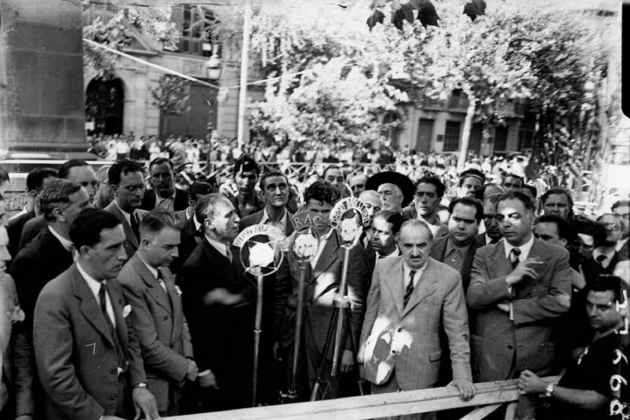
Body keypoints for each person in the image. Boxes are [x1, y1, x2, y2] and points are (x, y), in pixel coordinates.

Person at [33, 208, 159, 420]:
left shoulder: (113, 283)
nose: (123, 255)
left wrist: (139, 385)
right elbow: (56, 375)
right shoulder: (55, 297)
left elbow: (130, 339)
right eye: (112, 248)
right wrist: (97, 417)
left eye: (122, 244)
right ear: (85, 252)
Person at [359, 220, 474, 420]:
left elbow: (458, 331)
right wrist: (363, 353)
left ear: (431, 244)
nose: (414, 252)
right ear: (398, 244)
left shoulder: (449, 277)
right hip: (380, 365)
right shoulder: (383, 267)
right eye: (408, 245)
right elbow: (372, 312)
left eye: (421, 245)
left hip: (420, 370)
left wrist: (462, 375)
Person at [275, 180, 368, 401]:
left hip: (329, 337)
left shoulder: (348, 246)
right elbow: (281, 292)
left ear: (335, 212)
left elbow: (357, 303)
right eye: (314, 210)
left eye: (326, 211)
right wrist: (278, 336)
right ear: (304, 208)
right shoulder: (293, 240)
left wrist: (348, 348)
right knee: (292, 394)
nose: (319, 216)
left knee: (325, 398)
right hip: (294, 332)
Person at [467, 190, 573, 382]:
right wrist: (508, 279)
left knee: (527, 412)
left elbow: (561, 302)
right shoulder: (484, 253)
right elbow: (474, 297)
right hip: (491, 358)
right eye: (501, 218)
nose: (505, 223)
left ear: (531, 219)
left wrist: (514, 309)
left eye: (514, 216)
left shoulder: (556, 254)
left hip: (534, 361)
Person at [179, 194, 255, 411]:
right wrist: (203, 370)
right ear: (209, 224)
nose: (238, 219)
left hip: (243, 359)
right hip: (220, 368)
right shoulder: (195, 266)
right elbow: (194, 325)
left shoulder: (236, 251)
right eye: (229, 215)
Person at [117, 211, 197, 416]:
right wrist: (185, 367)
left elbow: (181, 320)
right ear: (145, 243)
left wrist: (188, 357)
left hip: (175, 387)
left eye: (177, 246)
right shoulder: (129, 280)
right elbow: (147, 345)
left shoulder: (164, 271)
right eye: (168, 247)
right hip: (154, 391)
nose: (176, 254)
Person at [518, 275, 628, 420]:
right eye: (590, 305)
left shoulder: (621, 345)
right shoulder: (598, 333)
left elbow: (597, 400)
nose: (593, 313)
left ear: (622, 307)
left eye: (603, 307)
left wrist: (545, 388)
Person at [0, 193, 33, 419]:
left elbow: (20, 352)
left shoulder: (7, 284)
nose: (8, 256)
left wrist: (24, 412)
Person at [19, 160, 98, 249]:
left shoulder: (103, 220)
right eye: (82, 185)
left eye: (94, 184)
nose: (91, 191)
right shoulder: (36, 227)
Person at [429, 197, 484, 292]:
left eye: (468, 221)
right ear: (449, 218)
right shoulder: (429, 247)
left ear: (478, 223)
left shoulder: (485, 255)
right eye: (457, 219)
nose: (461, 226)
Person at [6, 167, 57, 258]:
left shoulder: (65, 222)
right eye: (52, 191)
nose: (58, 196)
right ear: (33, 193)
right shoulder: (12, 228)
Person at [104, 160, 149, 258]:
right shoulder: (102, 221)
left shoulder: (148, 217)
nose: (138, 193)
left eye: (141, 187)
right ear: (114, 189)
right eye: (131, 188)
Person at [239, 171, 295, 237]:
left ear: (288, 191)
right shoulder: (246, 224)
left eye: (282, 187)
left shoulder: (299, 223)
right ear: (262, 194)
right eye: (272, 188)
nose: (278, 192)